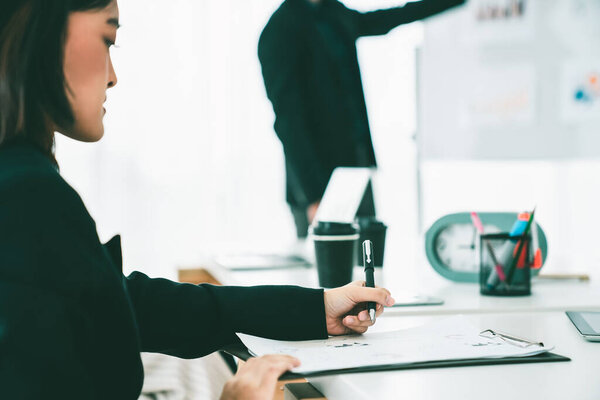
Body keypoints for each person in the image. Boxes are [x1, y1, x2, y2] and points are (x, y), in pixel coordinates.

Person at [0, 1, 395, 399]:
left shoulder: (21, 181)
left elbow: (128, 303)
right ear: (39, 30)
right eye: (108, 39)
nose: (114, 77)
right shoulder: (26, 193)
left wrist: (316, 309)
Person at [259, 0, 466, 238]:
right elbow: (288, 122)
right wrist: (313, 196)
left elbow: (385, 20)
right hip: (317, 181)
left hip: (355, 170)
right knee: (328, 271)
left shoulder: (332, 12)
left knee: (369, 264)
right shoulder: (280, 30)